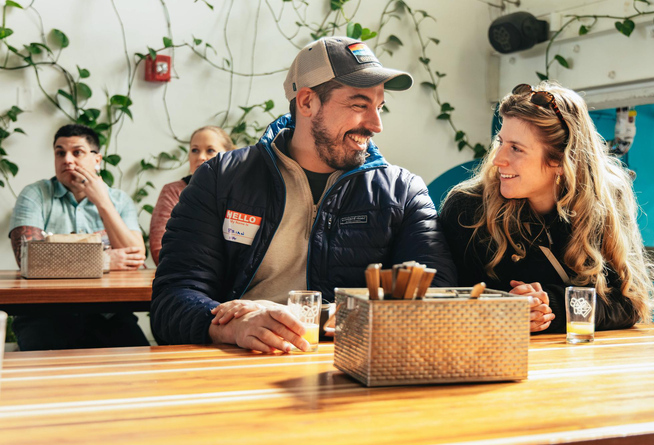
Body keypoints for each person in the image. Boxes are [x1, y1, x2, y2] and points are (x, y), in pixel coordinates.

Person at [151, 36, 457, 352]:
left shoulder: (402, 192)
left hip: (349, 368)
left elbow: (438, 301)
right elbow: (171, 301)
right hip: (240, 360)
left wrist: (312, 318)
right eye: (358, 104)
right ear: (307, 101)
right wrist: (233, 327)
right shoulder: (221, 178)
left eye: (379, 106)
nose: (376, 124)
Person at [439, 82, 654, 334]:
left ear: (560, 160)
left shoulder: (606, 199)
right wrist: (510, 310)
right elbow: (447, 306)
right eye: (500, 142)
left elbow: (630, 303)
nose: (497, 159)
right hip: (493, 358)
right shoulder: (467, 208)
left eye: (516, 148)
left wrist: (554, 307)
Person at [8, 124, 149, 350]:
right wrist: (103, 261)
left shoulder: (119, 200)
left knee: (142, 369)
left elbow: (135, 256)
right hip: (43, 314)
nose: (67, 159)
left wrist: (103, 202)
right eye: (60, 152)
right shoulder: (34, 194)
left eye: (77, 152)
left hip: (107, 314)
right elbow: (28, 259)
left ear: (97, 159)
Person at [149, 126, 235, 266]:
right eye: (195, 150)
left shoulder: (240, 193)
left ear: (229, 155)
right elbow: (160, 251)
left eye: (210, 150)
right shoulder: (173, 191)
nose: (200, 157)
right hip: (185, 277)